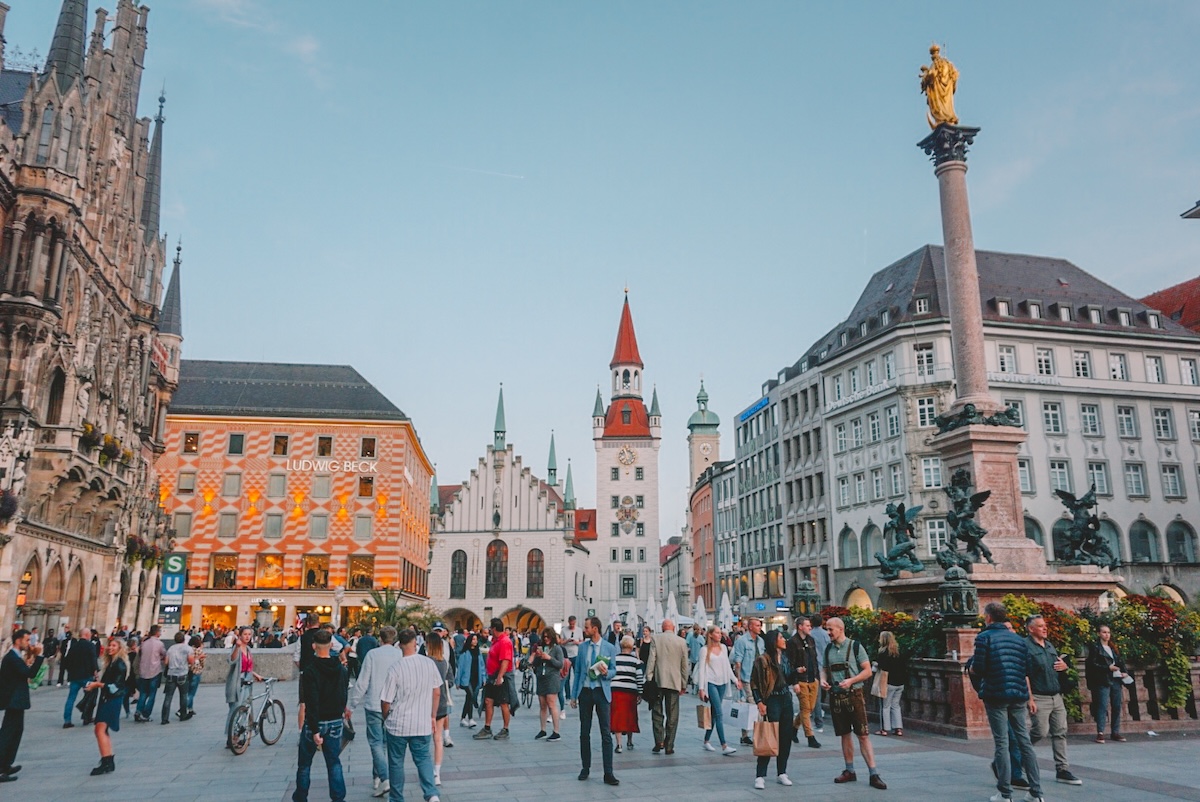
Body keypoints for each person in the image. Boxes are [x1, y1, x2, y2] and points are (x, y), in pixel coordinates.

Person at [969, 602, 1043, 802]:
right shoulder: (1018, 640)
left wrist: (972, 669)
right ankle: (1036, 793)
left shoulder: (984, 638)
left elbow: (980, 668)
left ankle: (1005, 793)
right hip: (1018, 694)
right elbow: (1027, 669)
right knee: (1024, 741)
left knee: (1002, 743)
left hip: (996, 694)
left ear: (989, 617)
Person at [822, 617, 886, 790]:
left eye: (830, 629)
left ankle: (873, 773)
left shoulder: (855, 646)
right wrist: (823, 680)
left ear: (840, 629)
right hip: (836, 696)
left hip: (854, 695)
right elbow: (824, 669)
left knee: (863, 735)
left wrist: (851, 681)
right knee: (844, 734)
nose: (828, 633)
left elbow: (867, 671)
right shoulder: (828, 649)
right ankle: (849, 770)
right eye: (827, 629)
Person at [380, 629, 442, 802]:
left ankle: (397, 798)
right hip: (421, 723)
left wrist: (386, 716)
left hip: (398, 724)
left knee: (396, 763)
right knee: (423, 759)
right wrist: (432, 715)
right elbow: (437, 692)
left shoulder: (395, 668)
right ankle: (431, 794)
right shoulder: (429, 664)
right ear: (416, 643)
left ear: (399, 645)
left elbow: (386, 700)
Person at [1025, 613, 1082, 786]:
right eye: (1041, 626)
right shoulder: (1026, 647)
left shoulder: (1049, 645)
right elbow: (1025, 674)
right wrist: (1030, 699)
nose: (1045, 628)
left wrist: (1065, 667)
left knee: (1060, 732)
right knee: (1039, 732)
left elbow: (1057, 666)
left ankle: (1062, 769)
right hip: (1039, 696)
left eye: (1045, 625)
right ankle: (1016, 757)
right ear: (1031, 629)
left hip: (1056, 696)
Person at [293, 629, 349, 802]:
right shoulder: (340, 669)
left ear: (313, 646)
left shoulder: (310, 671)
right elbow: (343, 695)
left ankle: (301, 797)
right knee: (334, 762)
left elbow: (312, 701)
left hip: (315, 722)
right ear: (331, 645)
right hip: (335, 720)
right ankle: (338, 797)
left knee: (304, 764)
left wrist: (315, 729)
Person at [350, 626, 402, 798]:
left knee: (375, 743)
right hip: (393, 705)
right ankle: (377, 776)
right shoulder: (399, 655)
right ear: (394, 638)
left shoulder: (372, 655)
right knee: (385, 743)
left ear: (380, 638)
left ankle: (384, 778)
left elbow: (362, 682)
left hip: (374, 704)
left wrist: (352, 704)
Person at [572, 616, 619, 786]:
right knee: (584, 732)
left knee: (606, 733)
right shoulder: (583, 648)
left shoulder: (609, 648)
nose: (584, 630)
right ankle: (585, 767)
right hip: (585, 692)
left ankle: (608, 772)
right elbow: (577, 672)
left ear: (595, 629)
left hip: (601, 691)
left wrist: (607, 673)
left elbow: (615, 670)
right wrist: (573, 695)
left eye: (587, 627)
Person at [750, 629, 797, 789]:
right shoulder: (762, 660)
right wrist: (759, 702)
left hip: (786, 698)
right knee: (769, 735)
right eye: (781, 637)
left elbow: (788, 677)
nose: (784, 639)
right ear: (773, 641)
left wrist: (797, 675)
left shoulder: (785, 657)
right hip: (771, 700)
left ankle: (781, 772)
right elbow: (754, 683)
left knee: (785, 736)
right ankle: (760, 775)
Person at [0, 629, 43, 782]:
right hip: (13, 701)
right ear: (18, 640)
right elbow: (29, 674)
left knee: (15, 732)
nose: (28, 643)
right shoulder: (11, 658)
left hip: (16, 701)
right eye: (26, 640)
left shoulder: (15, 657)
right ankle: (1, 768)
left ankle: (6, 764)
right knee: (7, 734)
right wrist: (39, 656)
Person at [86, 637, 129, 776]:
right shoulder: (112, 662)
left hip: (112, 699)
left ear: (120, 648)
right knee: (101, 730)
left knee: (100, 730)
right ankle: (108, 759)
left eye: (114, 646)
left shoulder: (119, 664)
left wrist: (97, 685)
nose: (110, 648)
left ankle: (107, 762)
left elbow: (115, 687)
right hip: (108, 699)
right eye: (109, 645)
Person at [646, 618, 689, 755]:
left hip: (658, 681)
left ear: (663, 628)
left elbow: (651, 659)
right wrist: (684, 683)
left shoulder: (656, 639)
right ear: (674, 628)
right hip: (674, 682)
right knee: (673, 714)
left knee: (657, 712)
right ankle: (669, 745)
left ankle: (659, 741)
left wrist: (649, 677)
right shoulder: (681, 641)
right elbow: (684, 665)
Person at [695, 625, 737, 755]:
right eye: (717, 633)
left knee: (714, 714)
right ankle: (724, 745)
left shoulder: (723, 648)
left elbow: (727, 667)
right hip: (711, 683)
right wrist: (701, 688)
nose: (720, 635)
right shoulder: (704, 650)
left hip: (722, 682)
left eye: (720, 633)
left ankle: (706, 740)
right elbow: (702, 669)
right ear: (711, 635)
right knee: (719, 713)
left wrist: (735, 680)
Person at [1085, 624, 1127, 744]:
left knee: (1116, 706)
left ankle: (1115, 731)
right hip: (1103, 679)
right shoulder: (1096, 648)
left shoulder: (1113, 648)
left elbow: (1120, 662)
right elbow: (1092, 665)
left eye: (1108, 632)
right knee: (1102, 706)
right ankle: (1100, 732)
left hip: (1116, 679)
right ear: (1099, 634)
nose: (1107, 635)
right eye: (1104, 632)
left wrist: (1124, 672)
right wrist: (1108, 668)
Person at [471, 618, 512, 741]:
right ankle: (487, 728)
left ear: (494, 628)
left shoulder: (504, 641)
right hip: (492, 675)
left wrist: (500, 676)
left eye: (490, 629)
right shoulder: (495, 640)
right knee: (488, 701)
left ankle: (505, 729)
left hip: (500, 675)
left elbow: (505, 660)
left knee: (504, 703)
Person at [225, 626, 264, 749]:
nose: (247, 636)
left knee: (245, 709)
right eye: (245, 634)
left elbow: (248, 667)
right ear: (240, 635)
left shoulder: (248, 649)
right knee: (235, 709)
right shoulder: (237, 648)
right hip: (237, 683)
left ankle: (237, 737)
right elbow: (232, 660)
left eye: (249, 634)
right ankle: (230, 738)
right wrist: (236, 647)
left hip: (247, 682)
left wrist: (255, 674)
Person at [786, 616, 821, 748]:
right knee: (806, 709)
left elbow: (815, 659)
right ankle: (810, 737)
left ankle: (793, 729)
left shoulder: (811, 640)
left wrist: (817, 677)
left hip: (812, 679)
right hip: (801, 680)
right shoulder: (793, 642)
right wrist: (794, 681)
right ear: (800, 627)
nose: (810, 628)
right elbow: (791, 663)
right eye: (807, 625)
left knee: (809, 708)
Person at [730, 617, 764, 745]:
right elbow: (738, 662)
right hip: (747, 679)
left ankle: (744, 735)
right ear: (750, 627)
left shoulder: (761, 641)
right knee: (755, 705)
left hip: (760, 679)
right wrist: (738, 679)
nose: (759, 628)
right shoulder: (742, 641)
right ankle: (759, 734)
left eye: (760, 625)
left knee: (749, 707)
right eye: (757, 625)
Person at [425, 632, 451, 787]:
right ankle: (437, 773)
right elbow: (451, 681)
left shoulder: (425, 661)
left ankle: (426, 770)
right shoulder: (445, 663)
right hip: (441, 704)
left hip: (424, 704)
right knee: (438, 739)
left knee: (423, 741)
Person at [610, 635, 643, 754]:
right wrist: (640, 692)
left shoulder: (614, 659)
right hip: (630, 692)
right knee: (630, 716)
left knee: (617, 717)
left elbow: (611, 674)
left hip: (616, 691)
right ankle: (629, 741)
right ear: (632, 646)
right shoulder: (636, 661)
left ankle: (619, 744)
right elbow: (639, 678)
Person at [62, 627, 98, 728]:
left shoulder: (74, 646)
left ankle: (67, 720)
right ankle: (86, 717)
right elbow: (93, 659)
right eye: (89, 634)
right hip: (87, 676)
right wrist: (95, 671)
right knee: (90, 697)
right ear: (86, 635)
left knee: (71, 698)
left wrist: (70, 671)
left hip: (74, 677)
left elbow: (66, 661)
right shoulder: (90, 645)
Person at [532, 628, 564, 742]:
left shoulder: (557, 649)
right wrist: (537, 656)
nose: (546, 639)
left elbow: (560, 664)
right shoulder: (542, 647)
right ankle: (543, 729)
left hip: (552, 678)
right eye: (544, 637)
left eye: (548, 637)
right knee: (542, 705)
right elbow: (535, 664)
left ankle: (556, 731)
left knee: (551, 704)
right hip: (541, 678)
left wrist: (549, 658)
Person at [874, 631, 907, 737]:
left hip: (888, 682)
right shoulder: (898, 652)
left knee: (886, 706)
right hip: (900, 682)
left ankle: (885, 728)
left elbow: (882, 666)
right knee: (896, 705)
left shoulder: (883, 652)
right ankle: (898, 728)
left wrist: (875, 664)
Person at [134, 625, 166, 722]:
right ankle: (146, 714)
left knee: (143, 693)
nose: (160, 633)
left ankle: (138, 711)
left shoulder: (144, 643)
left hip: (143, 671)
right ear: (156, 632)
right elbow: (164, 654)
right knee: (152, 694)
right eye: (160, 631)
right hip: (154, 671)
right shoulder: (159, 644)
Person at [160, 631, 193, 724]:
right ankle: (183, 715)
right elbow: (191, 661)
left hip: (171, 674)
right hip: (182, 674)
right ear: (183, 639)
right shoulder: (188, 648)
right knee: (183, 696)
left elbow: (166, 662)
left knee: (168, 697)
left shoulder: (171, 648)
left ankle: (164, 718)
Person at [455, 632, 485, 729]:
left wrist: (484, 678)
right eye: (473, 639)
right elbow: (460, 668)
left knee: (469, 698)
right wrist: (458, 681)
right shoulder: (464, 653)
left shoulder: (478, 652)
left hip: (476, 678)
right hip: (466, 679)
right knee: (471, 697)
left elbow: (482, 666)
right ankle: (471, 719)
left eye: (476, 639)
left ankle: (463, 718)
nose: (475, 641)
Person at [809, 614, 831, 731]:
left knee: (816, 695)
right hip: (827, 666)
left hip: (815, 667)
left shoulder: (810, 634)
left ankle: (818, 721)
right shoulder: (826, 635)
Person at [562, 616, 583, 702]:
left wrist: (576, 642)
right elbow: (560, 642)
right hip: (567, 655)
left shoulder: (579, 630)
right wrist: (567, 641)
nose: (572, 625)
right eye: (570, 624)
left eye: (573, 624)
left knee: (577, 675)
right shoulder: (564, 630)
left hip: (576, 654)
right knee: (567, 677)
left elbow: (582, 642)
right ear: (568, 622)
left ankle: (577, 695)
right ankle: (568, 696)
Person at [185, 635, 205, 718]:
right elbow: (202, 662)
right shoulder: (199, 651)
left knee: (188, 691)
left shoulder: (188, 650)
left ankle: (190, 708)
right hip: (196, 672)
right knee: (191, 693)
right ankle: (183, 709)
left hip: (188, 671)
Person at [685, 624, 704, 691]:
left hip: (693, 658)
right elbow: (704, 647)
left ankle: (694, 688)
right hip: (698, 659)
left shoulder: (691, 637)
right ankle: (698, 687)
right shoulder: (700, 637)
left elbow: (688, 645)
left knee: (693, 673)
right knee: (699, 673)